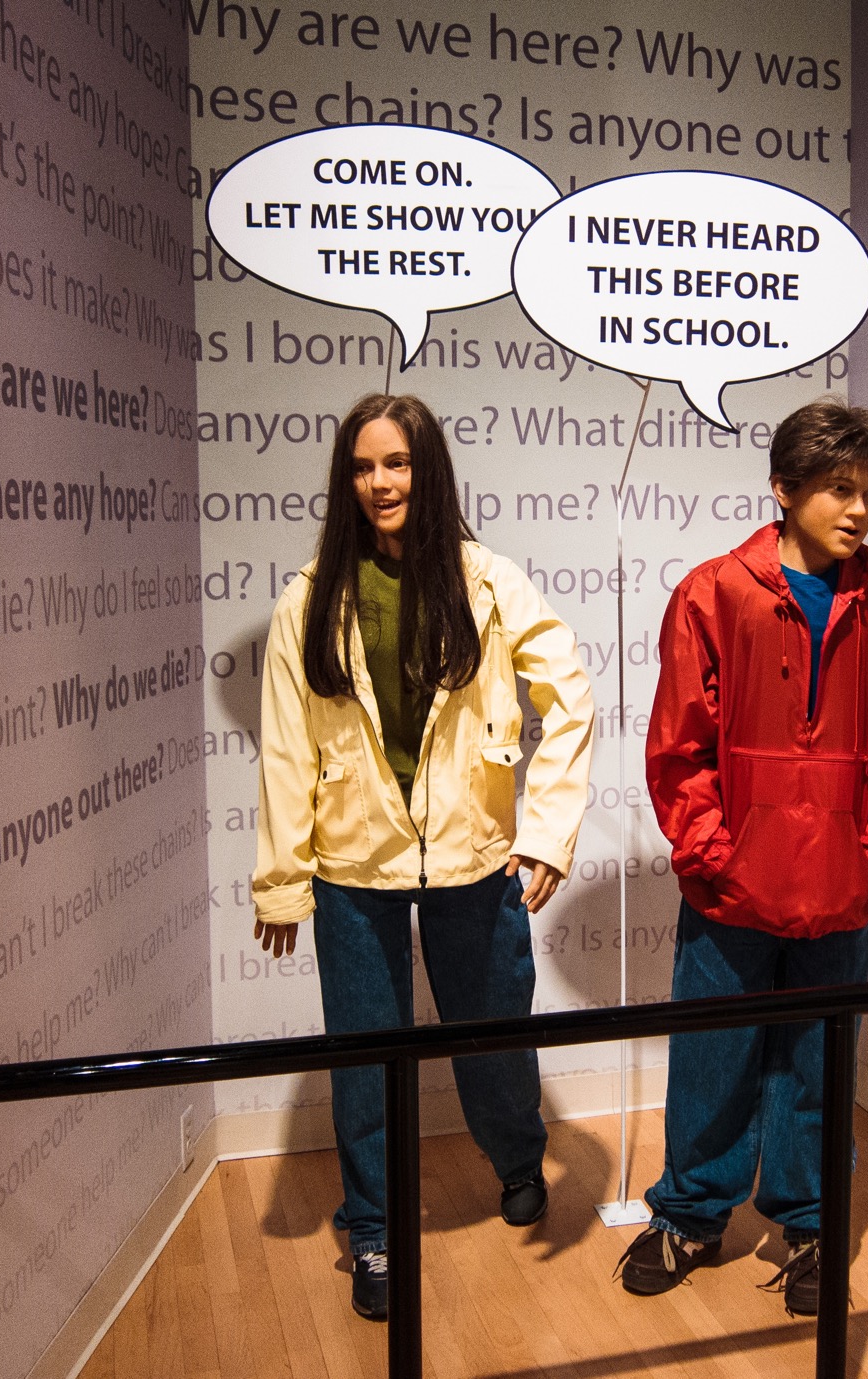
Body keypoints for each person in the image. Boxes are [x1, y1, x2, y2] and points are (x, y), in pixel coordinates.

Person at [253, 392, 595, 1320]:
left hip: (473, 853)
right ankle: (373, 1227)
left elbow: (569, 692)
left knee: (493, 1030)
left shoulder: (488, 580)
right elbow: (284, 748)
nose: (380, 482)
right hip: (353, 863)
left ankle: (518, 1161)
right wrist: (281, 882)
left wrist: (546, 832)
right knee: (366, 1059)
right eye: (364, 466)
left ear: (427, 468)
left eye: (396, 463)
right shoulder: (310, 596)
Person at [619, 398, 868, 1314]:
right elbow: (679, 743)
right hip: (729, 887)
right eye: (839, 488)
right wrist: (712, 852)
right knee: (712, 1056)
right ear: (784, 488)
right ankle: (690, 1215)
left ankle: (811, 1226)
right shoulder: (713, 592)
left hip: (840, 888)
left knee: (818, 1064)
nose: (859, 510)